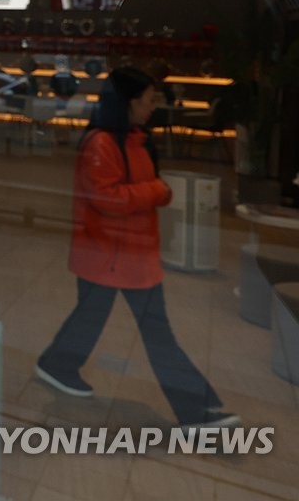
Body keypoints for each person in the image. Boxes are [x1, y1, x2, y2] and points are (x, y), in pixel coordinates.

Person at [35, 67, 239, 429]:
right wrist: (156, 191)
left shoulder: (135, 140)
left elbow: (138, 190)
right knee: (153, 333)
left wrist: (156, 191)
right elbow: (107, 198)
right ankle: (195, 411)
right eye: (148, 100)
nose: (152, 107)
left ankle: (57, 364)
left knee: (92, 321)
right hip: (111, 255)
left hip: (129, 253)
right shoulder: (102, 144)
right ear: (128, 102)